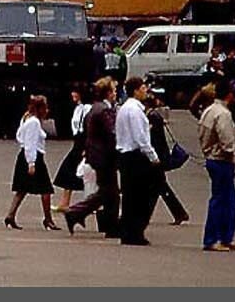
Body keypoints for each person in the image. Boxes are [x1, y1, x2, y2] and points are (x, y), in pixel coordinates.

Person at [65, 77, 119, 238]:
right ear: (108, 93)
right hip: (103, 157)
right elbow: (111, 133)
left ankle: (107, 225)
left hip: (97, 155)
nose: (116, 94)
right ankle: (75, 213)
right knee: (109, 192)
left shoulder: (95, 108)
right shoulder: (103, 110)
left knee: (109, 192)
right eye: (114, 90)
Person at [115, 76, 160, 246]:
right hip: (135, 156)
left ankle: (128, 231)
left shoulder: (125, 109)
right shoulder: (134, 111)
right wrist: (152, 156)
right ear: (135, 90)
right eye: (143, 88)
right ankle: (135, 230)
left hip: (125, 154)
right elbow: (140, 137)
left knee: (130, 195)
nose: (145, 91)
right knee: (141, 195)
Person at [5, 95, 60, 231]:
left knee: (22, 188)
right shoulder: (34, 123)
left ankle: (10, 215)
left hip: (27, 156)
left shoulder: (27, 118)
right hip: (33, 158)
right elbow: (30, 143)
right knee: (46, 189)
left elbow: (20, 137)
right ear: (40, 108)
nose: (47, 110)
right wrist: (31, 163)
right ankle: (48, 219)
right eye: (45, 108)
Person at [198, 78, 235, 252]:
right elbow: (226, 141)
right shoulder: (223, 114)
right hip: (221, 159)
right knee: (221, 199)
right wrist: (230, 154)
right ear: (230, 95)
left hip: (212, 157)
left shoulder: (209, 110)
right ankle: (213, 238)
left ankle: (225, 237)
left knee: (228, 199)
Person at [147, 94, 189, 225]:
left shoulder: (152, 117)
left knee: (158, 186)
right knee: (158, 187)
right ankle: (179, 213)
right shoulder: (154, 116)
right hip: (159, 154)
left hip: (157, 156)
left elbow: (155, 140)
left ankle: (179, 213)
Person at [54, 89, 89, 212]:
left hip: (84, 141)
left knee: (85, 172)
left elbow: (88, 127)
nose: (73, 94)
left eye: (76, 92)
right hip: (77, 140)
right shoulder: (78, 108)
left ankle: (91, 203)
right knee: (69, 169)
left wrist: (86, 146)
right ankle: (65, 202)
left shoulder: (88, 108)